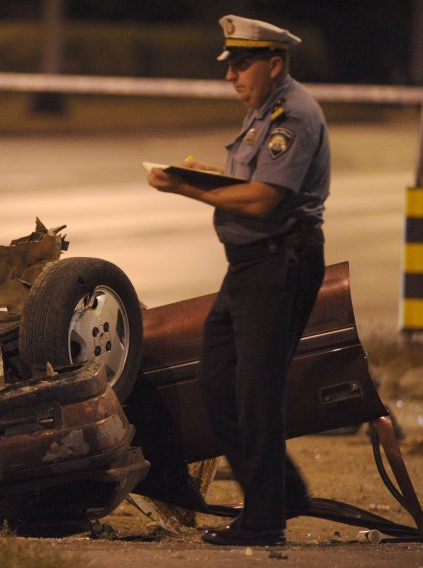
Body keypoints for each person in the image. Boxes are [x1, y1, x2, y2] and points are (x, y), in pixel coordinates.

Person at [146, 14, 330, 547]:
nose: (232, 75)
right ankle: (284, 493)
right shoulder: (263, 113)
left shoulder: (294, 115)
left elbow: (264, 199)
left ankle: (265, 518)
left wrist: (186, 190)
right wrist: (201, 173)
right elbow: (248, 181)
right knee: (219, 385)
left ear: (274, 65)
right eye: (230, 64)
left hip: (279, 261)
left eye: (243, 64)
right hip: (250, 266)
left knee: (255, 393)